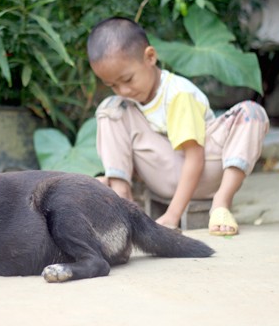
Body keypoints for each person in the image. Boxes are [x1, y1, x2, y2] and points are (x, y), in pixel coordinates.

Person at [87, 17, 269, 236]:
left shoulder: (178, 94)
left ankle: (221, 203)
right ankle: (121, 197)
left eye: (128, 79)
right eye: (113, 85)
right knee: (110, 109)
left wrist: (172, 216)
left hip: (205, 171)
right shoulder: (128, 106)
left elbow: (195, 158)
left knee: (252, 113)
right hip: (162, 173)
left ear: (150, 57)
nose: (123, 90)